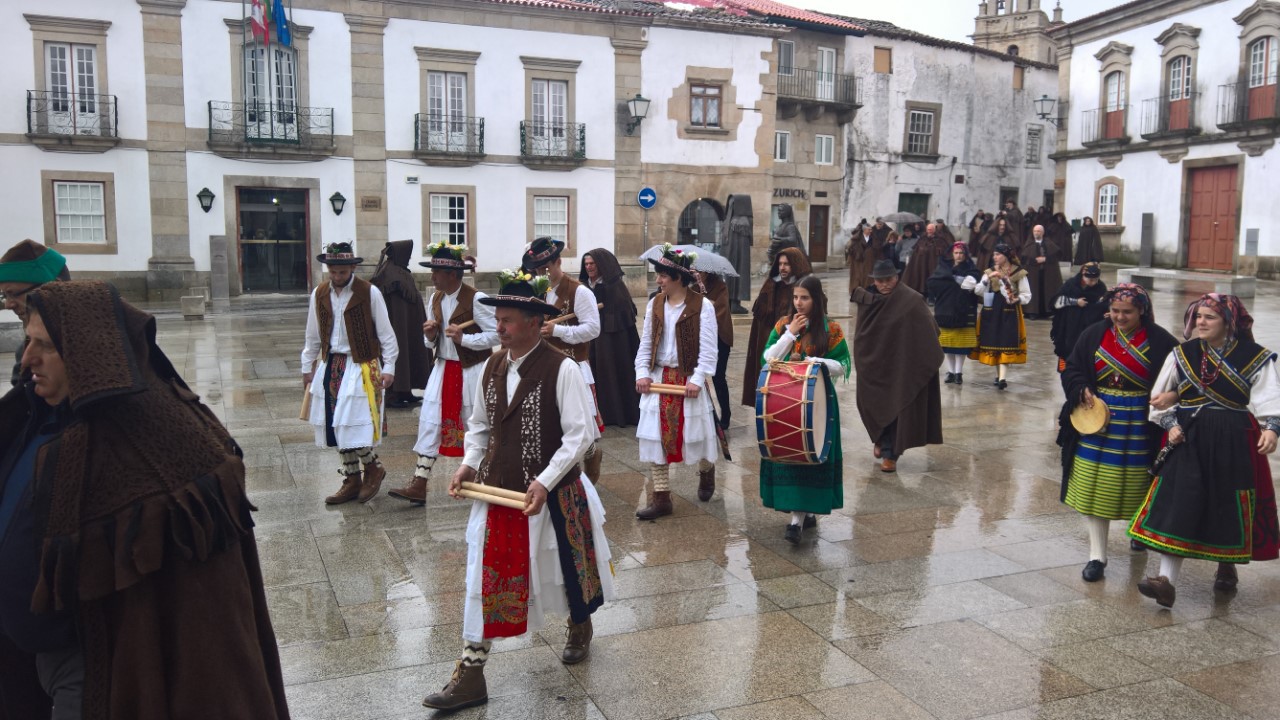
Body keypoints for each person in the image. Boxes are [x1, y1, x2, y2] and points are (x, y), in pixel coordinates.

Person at [0, 281, 290, 719]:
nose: (27, 360)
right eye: (28, 341)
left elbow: (199, 623)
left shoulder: (162, 447)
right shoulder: (29, 416)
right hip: (26, 659)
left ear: (88, 352)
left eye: (45, 346)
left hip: (100, 673)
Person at [423, 270, 614, 711]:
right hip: (497, 494)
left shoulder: (562, 368)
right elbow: (479, 425)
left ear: (533, 322)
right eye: (499, 320)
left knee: (564, 571)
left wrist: (545, 482)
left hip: (552, 494)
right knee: (482, 582)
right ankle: (471, 674)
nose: (500, 328)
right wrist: (469, 463)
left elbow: (579, 436)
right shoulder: (491, 364)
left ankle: (579, 623)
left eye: (508, 321)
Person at [1128, 294, 1280, 607]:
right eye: (1198, 316)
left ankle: (1227, 565)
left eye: (1209, 317)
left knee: (1225, 503)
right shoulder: (1182, 354)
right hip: (1189, 438)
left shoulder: (1255, 357)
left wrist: (1271, 429)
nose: (1200, 322)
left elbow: (1269, 399)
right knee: (1181, 501)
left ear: (1228, 322)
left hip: (1233, 439)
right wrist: (1170, 422)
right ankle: (1166, 582)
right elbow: (1157, 400)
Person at [1057, 283, 1178, 583]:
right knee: (1094, 484)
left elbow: (1183, 377)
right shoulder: (1094, 335)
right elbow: (1072, 369)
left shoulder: (1161, 341)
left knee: (1141, 483)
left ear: (1142, 311)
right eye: (1114, 311)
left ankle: (1139, 532)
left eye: (1127, 312)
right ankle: (1097, 556)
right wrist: (1081, 389)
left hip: (1141, 423)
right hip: (1098, 421)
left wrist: (1170, 397)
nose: (1119, 317)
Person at [388, 242, 496, 506]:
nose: (432, 276)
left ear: (453, 275)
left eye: (436, 272)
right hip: (443, 367)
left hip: (471, 370)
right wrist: (431, 335)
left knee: (474, 424)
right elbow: (432, 341)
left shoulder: (476, 298)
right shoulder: (435, 297)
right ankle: (419, 482)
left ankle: (485, 479)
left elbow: (496, 333)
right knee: (430, 422)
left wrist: (465, 339)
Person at [302, 242, 398, 505]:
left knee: (352, 424)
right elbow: (312, 334)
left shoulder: (370, 293)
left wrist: (389, 367)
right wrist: (306, 367)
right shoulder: (319, 293)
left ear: (353, 268)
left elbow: (387, 335)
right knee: (334, 424)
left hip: (362, 365)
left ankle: (374, 467)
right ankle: (353, 478)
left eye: (342, 272)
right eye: (332, 272)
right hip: (331, 364)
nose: (336, 277)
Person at [758, 275, 849, 542]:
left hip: (819, 400)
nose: (799, 303)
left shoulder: (830, 329)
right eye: (796, 297)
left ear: (816, 299)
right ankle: (799, 516)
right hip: (785, 399)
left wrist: (814, 361)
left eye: (805, 298)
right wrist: (790, 334)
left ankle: (801, 517)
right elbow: (768, 357)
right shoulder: (784, 324)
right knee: (793, 453)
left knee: (812, 452)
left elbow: (842, 364)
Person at [635, 244, 720, 517]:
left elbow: (709, 350)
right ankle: (662, 498)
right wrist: (642, 373)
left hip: (687, 379)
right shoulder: (655, 303)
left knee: (696, 436)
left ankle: (706, 470)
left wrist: (697, 379)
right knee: (654, 435)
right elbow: (646, 343)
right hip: (660, 376)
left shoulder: (702, 306)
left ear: (678, 278)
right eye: (657, 275)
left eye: (662, 276)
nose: (658, 280)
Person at [523, 237, 604, 482]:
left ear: (559, 261)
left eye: (546, 266)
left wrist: (559, 331)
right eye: (537, 269)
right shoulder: (539, 291)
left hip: (573, 366)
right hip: (543, 365)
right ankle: (556, 472)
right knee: (549, 420)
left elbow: (593, 329)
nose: (542, 272)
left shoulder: (579, 291)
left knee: (578, 421)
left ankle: (590, 453)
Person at [852, 259, 944, 473]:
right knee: (871, 403)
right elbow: (862, 334)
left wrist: (915, 352)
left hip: (901, 365)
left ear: (897, 278)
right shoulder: (868, 300)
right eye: (879, 281)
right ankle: (880, 438)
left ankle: (890, 453)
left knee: (898, 407)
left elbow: (931, 331)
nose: (883, 284)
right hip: (874, 364)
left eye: (888, 280)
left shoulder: (911, 300)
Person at [741, 247, 812, 407]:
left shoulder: (805, 288)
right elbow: (759, 323)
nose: (782, 268)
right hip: (770, 344)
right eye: (780, 264)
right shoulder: (770, 286)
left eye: (786, 264)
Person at [580, 248, 640, 428]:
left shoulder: (614, 286)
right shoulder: (583, 286)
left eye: (592, 264)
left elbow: (624, 310)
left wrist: (603, 310)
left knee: (612, 371)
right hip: (589, 337)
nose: (589, 267)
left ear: (601, 265)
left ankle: (615, 413)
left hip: (610, 339)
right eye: (586, 264)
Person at [0, 240, 70, 387]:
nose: (8, 305)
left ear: (50, 288)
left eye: (13, 294)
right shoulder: (24, 350)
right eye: (5, 296)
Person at [369, 240, 429, 408]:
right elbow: (396, 308)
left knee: (407, 355)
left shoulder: (397, 271)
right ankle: (393, 394)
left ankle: (405, 391)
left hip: (406, 326)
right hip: (398, 327)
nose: (408, 259)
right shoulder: (393, 275)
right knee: (399, 355)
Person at [971, 243, 1030, 390]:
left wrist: (1017, 298)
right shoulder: (989, 271)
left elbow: (1026, 294)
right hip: (992, 310)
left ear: (1006, 256)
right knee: (994, 342)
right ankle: (999, 376)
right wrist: (987, 279)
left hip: (1010, 311)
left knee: (1006, 341)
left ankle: (1002, 378)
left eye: (998, 254)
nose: (995, 257)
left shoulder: (1018, 272)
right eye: (994, 255)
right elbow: (978, 291)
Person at [927, 243, 982, 385]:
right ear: (952, 253)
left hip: (963, 309)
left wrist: (954, 280)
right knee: (947, 344)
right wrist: (951, 281)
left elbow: (970, 285)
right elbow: (932, 283)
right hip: (944, 309)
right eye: (956, 253)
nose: (959, 255)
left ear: (965, 255)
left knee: (960, 346)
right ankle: (951, 372)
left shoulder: (971, 269)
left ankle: (959, 373)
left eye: (961, 253)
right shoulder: (943, 267)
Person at [1050, 263, 1108, 373]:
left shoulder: (1100, 288)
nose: (1092, 282)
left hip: (1090, 326)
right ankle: (1065, 370)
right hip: (1070, 325)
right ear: (1083, 275)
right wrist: (1075, 302)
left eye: (1095, 280)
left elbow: (1104, 305)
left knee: (1087, 349)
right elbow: (1055, 301)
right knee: (1067, 349)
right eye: (1089, 279)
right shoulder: (1071, 284)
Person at [698, 270, 734, 431]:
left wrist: (704, 303)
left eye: (700, 270)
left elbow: (719, 309)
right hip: (700, 337)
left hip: (720, 337)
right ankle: (706, 415)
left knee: (718, 377)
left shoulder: (720, 286)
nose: (698, 272)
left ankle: (725, 414)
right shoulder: (691, 286)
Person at [1021, 224, 1063, 320]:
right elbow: (1024, 258)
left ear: (1043, 232)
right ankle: (1032, 311)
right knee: (1034, 291)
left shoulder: (1049, 243)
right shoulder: (1029, 244)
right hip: (1033, 274)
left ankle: (1046, 311)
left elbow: (1057, 255)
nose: (1036, 233)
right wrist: (1033, 261)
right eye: (1035, 231)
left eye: (1039, 231)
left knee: (1046, 291)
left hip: (1046, 273)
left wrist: (1045, 259)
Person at [722, 193, 754, 314]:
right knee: (740, 272)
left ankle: (730, 302)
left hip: (729, 258)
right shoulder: (742, 222)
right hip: (738, 258)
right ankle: (735, 303)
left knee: (731, 274)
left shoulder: (728, 222)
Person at [902, 222, 949, 295]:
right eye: (928, 229)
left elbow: (945, 251)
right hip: (921, 264)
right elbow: (916, 251)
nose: (929, 231)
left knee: (933, 278)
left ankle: (932, 295)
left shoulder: (940, 239)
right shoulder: (922, 239)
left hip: (934, 264)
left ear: (934, 230)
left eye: (931, 229)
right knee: (921, 278)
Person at [846, 222, 885, 297]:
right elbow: (851, 249)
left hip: (869, 262)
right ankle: (856, 292)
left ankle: (868, 291)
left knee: (868, 277)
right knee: (857, 277)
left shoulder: (873, 238)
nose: (871, 231)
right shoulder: (857, 239)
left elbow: (878, 249)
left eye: (871, 229)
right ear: (864, 230)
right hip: (858, 262)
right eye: (869, 229)